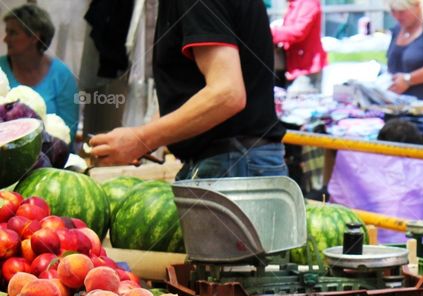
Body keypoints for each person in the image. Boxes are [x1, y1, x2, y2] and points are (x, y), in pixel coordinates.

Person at [89, 0, 288, 180]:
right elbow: (190, 92)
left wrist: (142, 139)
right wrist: (137, 141)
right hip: (234, 161)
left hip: (234, 164)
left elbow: (227, 94)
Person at [1, 5, 79, 141]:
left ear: (35, 37)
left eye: (12, 33)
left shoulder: (62, 76)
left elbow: (68, 131)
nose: (5, 39)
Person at [272, 0, 326, 90]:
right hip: (293, 68)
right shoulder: (295, 3)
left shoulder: (308, 3)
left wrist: (270, 32)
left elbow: (298, 32)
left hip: (306, 70)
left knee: (298, 102)